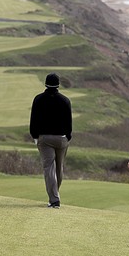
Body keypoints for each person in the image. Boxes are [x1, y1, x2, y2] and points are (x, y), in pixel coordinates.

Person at [29, 73, 72, 208]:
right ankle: (55, 196)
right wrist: (67, 136)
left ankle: (54, 200)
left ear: (45, 84)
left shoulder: (38, 99)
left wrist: (35, 136)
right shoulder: (65, 101)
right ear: (58, 85)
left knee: (49, 168)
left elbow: (33, 121)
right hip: (62, 139)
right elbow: (69, 123)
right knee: (59, 168)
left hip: (45, 138)